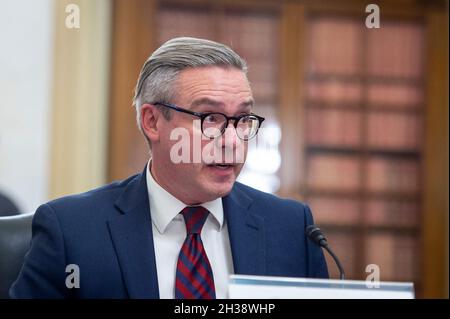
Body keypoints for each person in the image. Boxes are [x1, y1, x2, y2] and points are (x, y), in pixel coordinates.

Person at [10, 37, 328, 299]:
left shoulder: (292, 229)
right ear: (152, 121)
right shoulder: (72, 230)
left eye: (243, 119)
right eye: (210, 119)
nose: (233, 140)